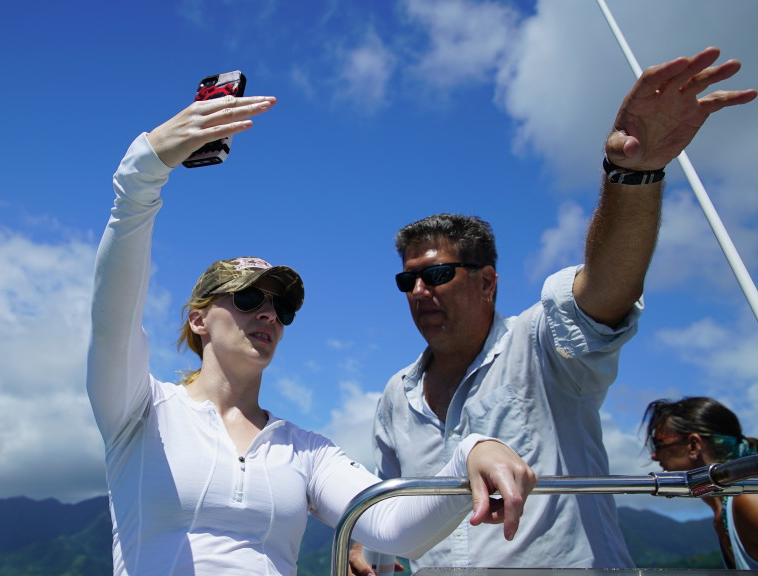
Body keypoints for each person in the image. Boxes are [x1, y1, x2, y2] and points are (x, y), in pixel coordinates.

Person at [86, 92, 538, 576]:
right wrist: (142, 176)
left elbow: (392, 527)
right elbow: (114, 322)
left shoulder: (305, 449)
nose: (268, 314)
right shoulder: (141, 410)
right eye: (246, 299)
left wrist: (470, 452)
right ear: (199, 320)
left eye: (279, 306)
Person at [351, 46, 757, 574]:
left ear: (488, 282)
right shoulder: (394, 396)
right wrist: (364, 548)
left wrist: (632, 174)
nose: (421, 291)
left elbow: (606, 290)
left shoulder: (543, 346)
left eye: (438, 275)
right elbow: (393, 507)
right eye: (409, 279)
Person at [643, 397, 758, 569]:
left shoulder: (747, 500)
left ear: (693, 445)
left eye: (657, 443)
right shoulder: (725, 514)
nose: (654, 456)